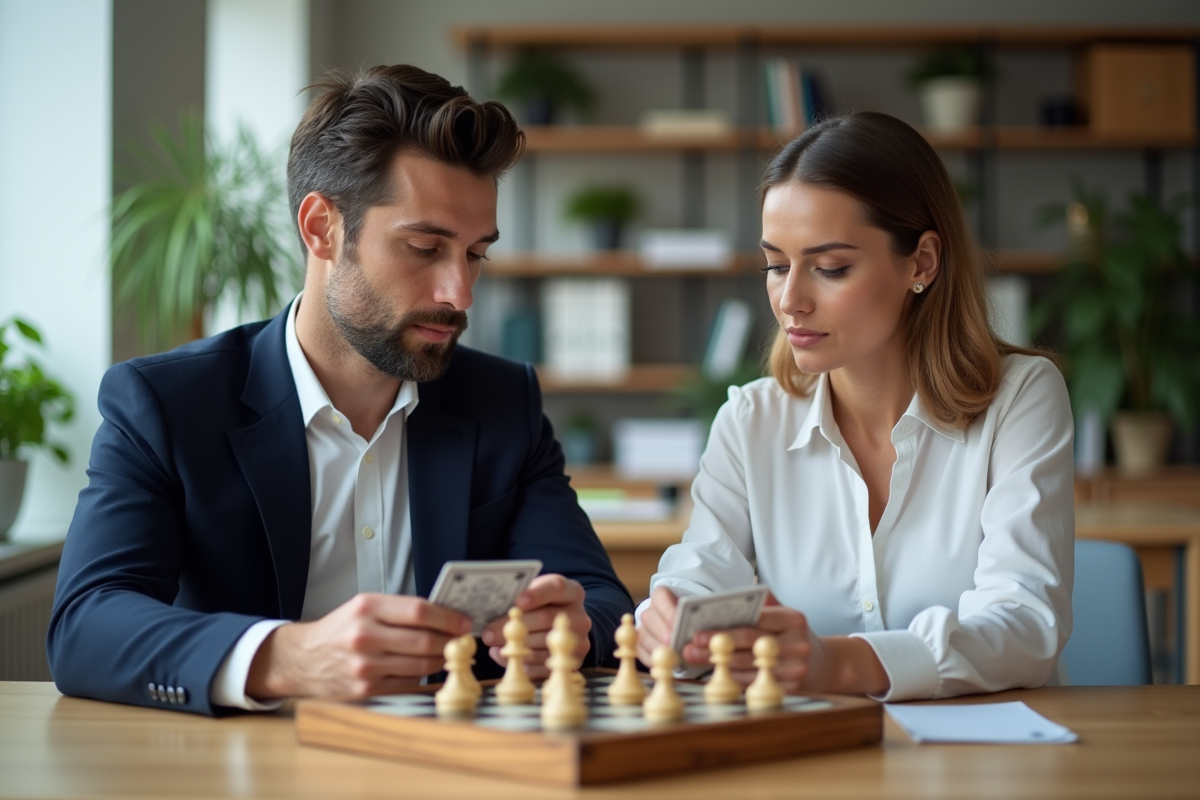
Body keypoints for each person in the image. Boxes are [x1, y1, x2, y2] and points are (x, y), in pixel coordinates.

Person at [48, 65, 633, 716]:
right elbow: (86, 625)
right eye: (423, 247)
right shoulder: (165, 405)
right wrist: (288, 656)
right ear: (322, 227)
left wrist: (573, 630)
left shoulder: (502, 402)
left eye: (475, 254)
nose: (459, 293)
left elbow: (600, 600)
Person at [636, 112, 1074, 701]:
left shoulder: (1021, 398)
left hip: (986, 765)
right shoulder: (750, 422)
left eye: (830, 268)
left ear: (921, 262)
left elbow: (1023, 625)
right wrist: (669, 621)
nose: (791, 300)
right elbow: (699, 578)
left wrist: (837, 664)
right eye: (774, 265)